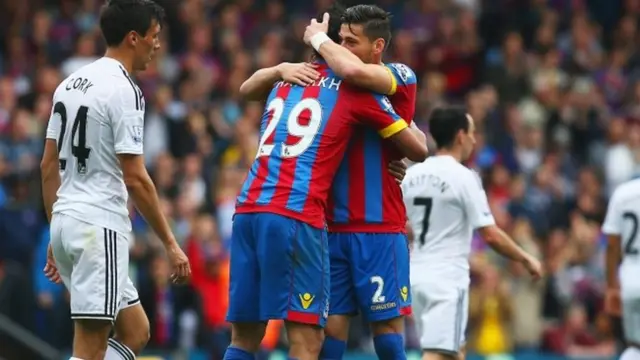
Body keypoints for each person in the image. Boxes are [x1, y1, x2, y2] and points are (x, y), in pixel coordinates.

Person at [224, 6, 428, 360]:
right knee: (318, 335)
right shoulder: (352, 91)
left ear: (377, 46)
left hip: (362, 220)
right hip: (314, 219)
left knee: (248, 336)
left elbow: (245, 89)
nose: (346, 48)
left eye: (354, 41)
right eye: (343, 40)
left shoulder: (394, 75)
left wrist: (281, 67)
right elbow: (417, 146)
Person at [40, 1, 191, 359]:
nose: (157, 45)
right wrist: (170, 243)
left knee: (136, 331)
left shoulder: (68, 85)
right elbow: (136, 178)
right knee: (89, 347)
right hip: (98, 228)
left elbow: (48, 166)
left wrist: (56, 225)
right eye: (154, 37)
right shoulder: (125, 90)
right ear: (133, 38)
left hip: (68, 222)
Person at [401, 107, 543, 360]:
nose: (474, 140)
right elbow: (490, 235)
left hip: (414, 276)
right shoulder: (464, 177)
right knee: (437, 353)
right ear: (460, 136)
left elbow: (401, 226)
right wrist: (525, 257)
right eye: (472, 133)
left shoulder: (410, 176)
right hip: (446, 279)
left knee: (455, 351)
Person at [603, 177, 640, 360]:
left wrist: (611, 286)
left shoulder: (622, 193)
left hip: (629, 282)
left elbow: (611, 245)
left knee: (634, 345)